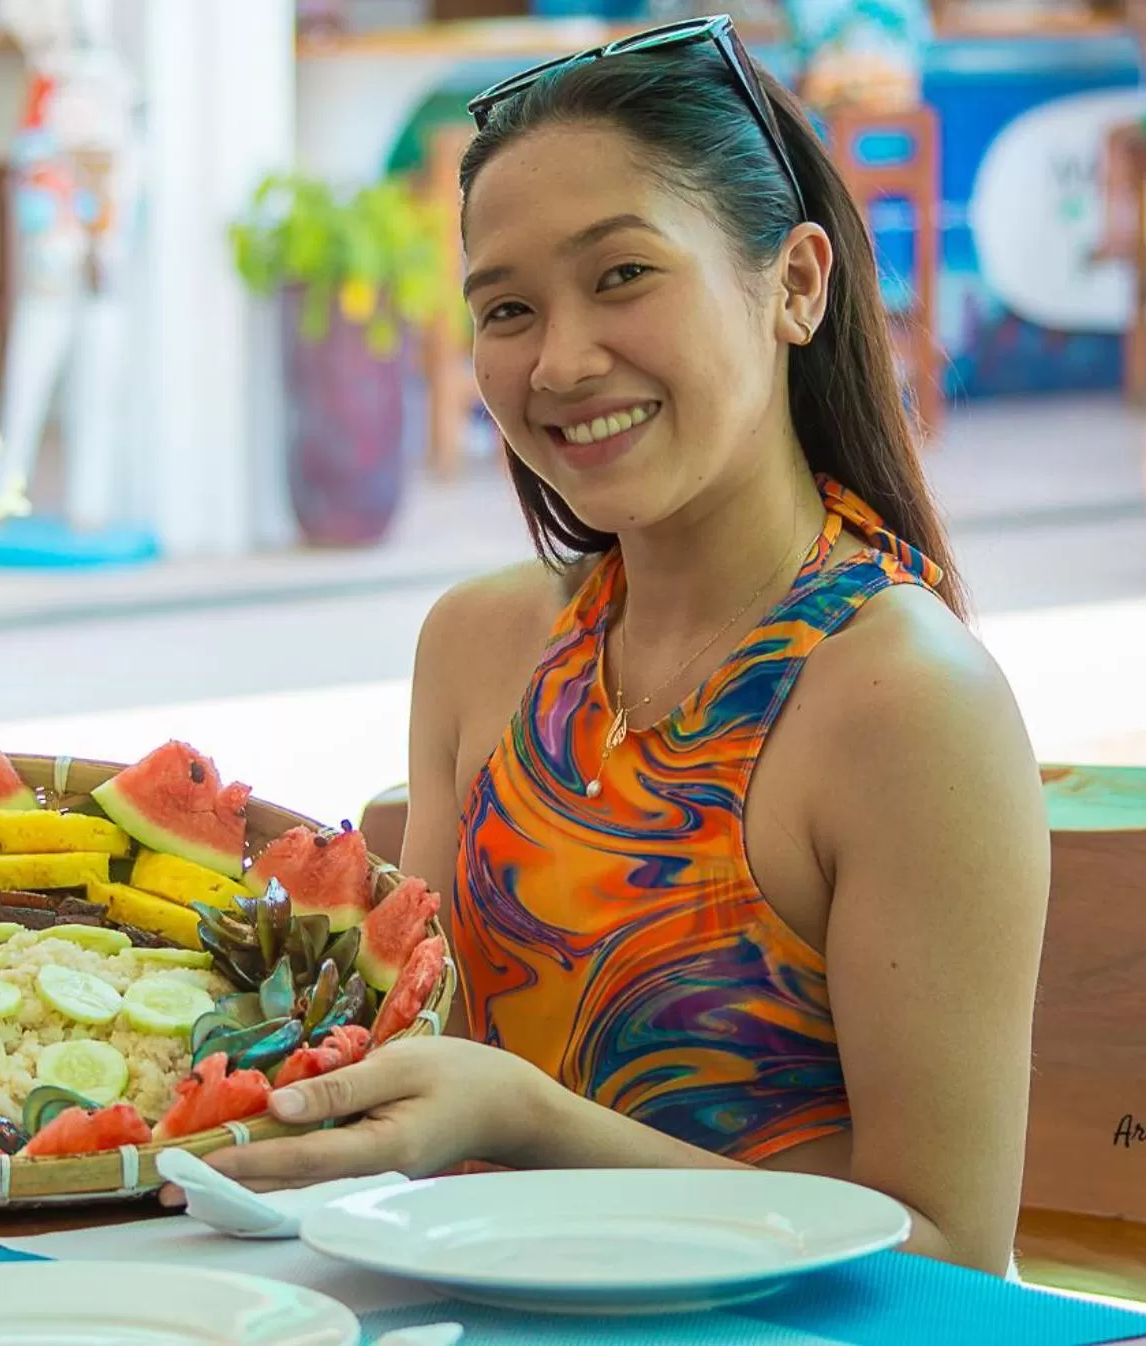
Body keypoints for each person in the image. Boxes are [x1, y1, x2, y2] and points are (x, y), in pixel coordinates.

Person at [174, 15, 1050, 1277]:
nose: (562, 360)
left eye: (623, 275)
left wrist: (528, 1125)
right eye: (508, 307)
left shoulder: (906, 701)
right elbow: (414, 1048)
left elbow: (948, 1251)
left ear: (796, 285)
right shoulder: (477, 648)